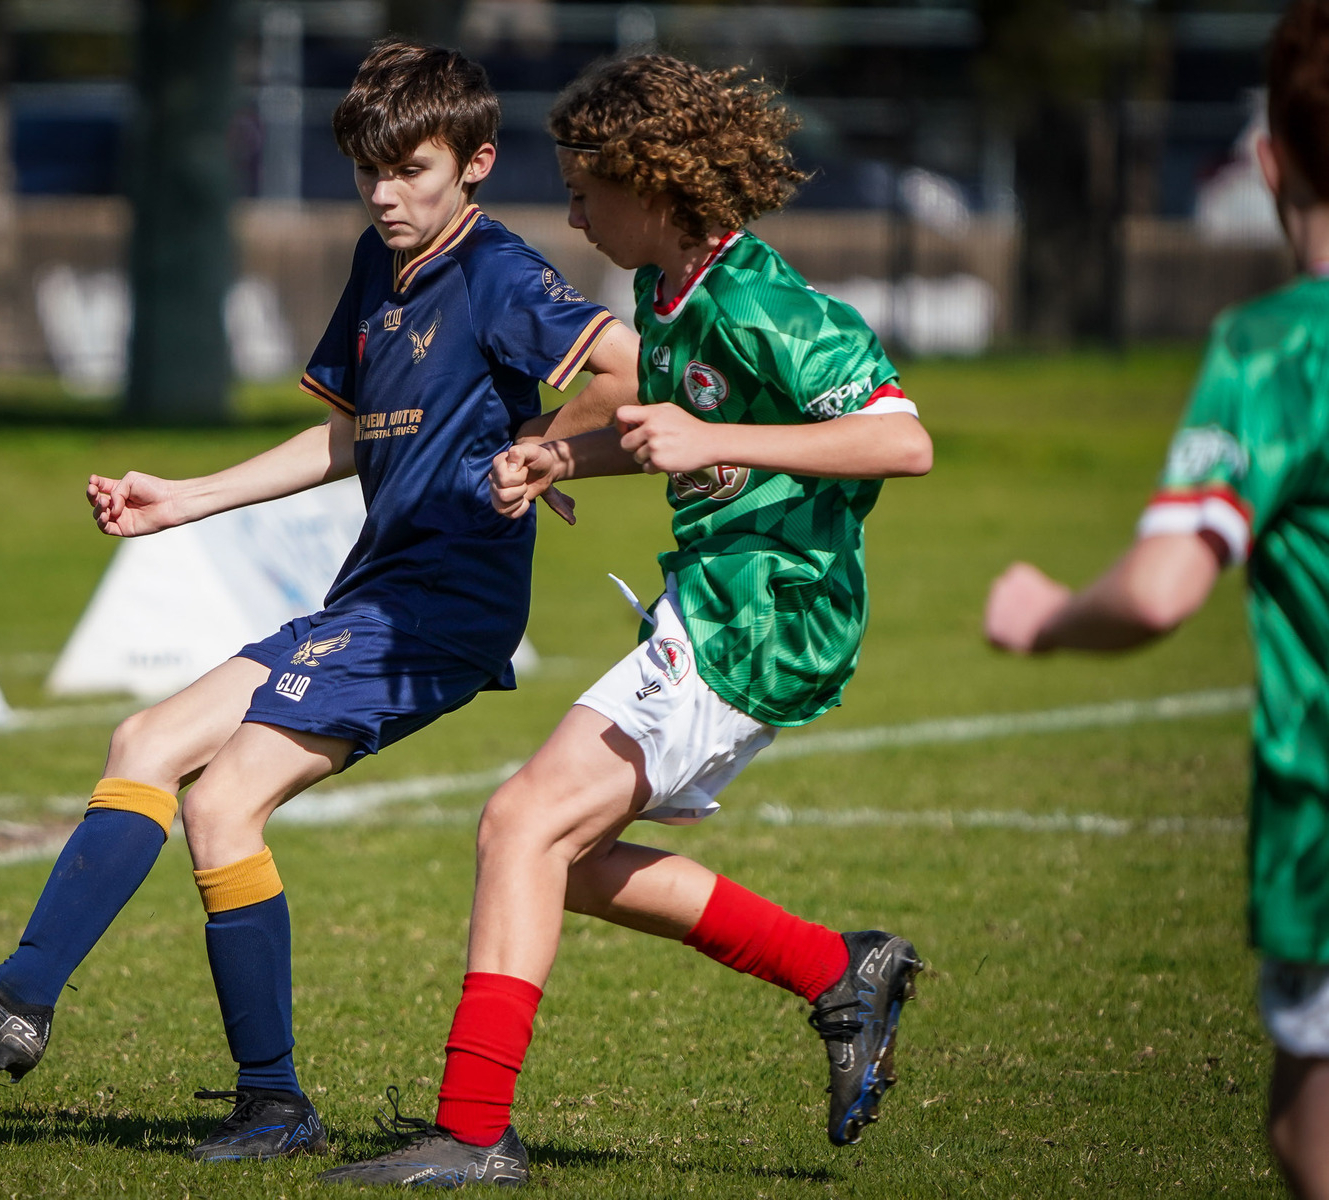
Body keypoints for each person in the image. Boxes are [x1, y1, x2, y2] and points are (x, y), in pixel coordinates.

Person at [0, 39, 640, 1165]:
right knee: (146, 740)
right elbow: (350, 434)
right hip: (375, 593)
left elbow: (624, 367)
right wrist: (183, 501)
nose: (387, 195)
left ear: (477, 163)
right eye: (368, 173)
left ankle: (262, 1099)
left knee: (221, 804)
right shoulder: (376, 263)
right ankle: (34, 1006)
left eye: (414, 170)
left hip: (436, 610)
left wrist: (542, 449)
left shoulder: (496, 271)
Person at [321, 54, 934, 1187]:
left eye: (583, 189)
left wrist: (720, 442)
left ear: (649, 185)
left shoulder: (764, 301)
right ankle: (834, 969)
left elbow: (902, 440)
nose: (568, 211)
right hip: (713, 600)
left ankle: (469, 1134)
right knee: (558, 855)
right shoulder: (666, 292)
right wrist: (561, 451)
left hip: (766, 614)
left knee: (518, 826)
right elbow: (662, 432)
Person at [984, 4, 1329, 1193]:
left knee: (1306, 1132)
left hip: (1319, 833)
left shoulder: (1277, 351)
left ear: (1270, 164)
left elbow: (1158, 592)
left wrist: (1042, 618)